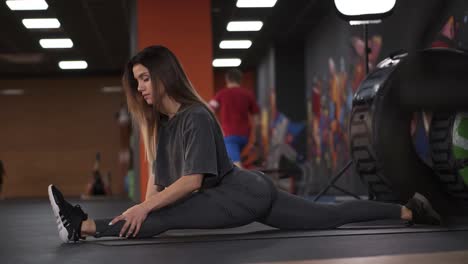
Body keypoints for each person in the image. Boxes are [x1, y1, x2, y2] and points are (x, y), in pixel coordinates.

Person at [47, 45, 441, 243]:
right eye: (137, 81)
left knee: (163, 216)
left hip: (239, 194)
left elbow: (191, 183)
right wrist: (144, 203)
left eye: (146, 78)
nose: (141, 88)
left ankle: (81, 226)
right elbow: (158, 180)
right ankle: (407, 211)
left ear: (165, 75)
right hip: (246, 191)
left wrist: (144, 208)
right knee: (327, 216)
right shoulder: (162, 126)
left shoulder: (196, 116)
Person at [209, 69, 259, 167]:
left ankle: (242, 182)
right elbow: (257, 120)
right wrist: (256, 138)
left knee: (236, 165)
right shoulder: (248, 94)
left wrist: (217, 126)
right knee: (233, 161)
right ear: (240, 80)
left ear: (227, 80)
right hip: (245, 136)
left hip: (229, 134)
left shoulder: (222, 94)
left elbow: (209, 109)